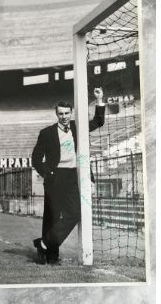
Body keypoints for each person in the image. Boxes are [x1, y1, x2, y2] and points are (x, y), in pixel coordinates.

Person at [31, 88, 105, 264]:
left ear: (71, 113)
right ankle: (50, 257)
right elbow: (35, 158)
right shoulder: (46, 132)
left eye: (67, 113)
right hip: (55, 177)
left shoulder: (77, 127)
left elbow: (99, 121)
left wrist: (100, 99)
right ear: (56, 114)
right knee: (53, 216)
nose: (64, 116)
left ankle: (44, 243)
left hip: (73, 176)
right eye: (60, 114)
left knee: (74, 213)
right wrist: (46, 173)